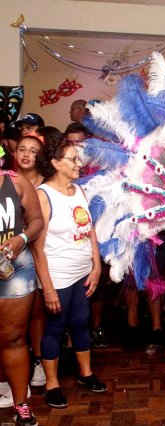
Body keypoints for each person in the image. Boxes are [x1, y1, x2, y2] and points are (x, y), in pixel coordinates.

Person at [32, 130, 107, 409]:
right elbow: (37, 248)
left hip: (82, 272)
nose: (79, 163)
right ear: (55, 163)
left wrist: (96, 265)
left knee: (80, 322)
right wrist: (48, 288)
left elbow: (89, 230)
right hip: (58, 276)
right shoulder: (44, 195)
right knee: (55, 327)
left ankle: (86, 374)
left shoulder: (79, 190)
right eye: (73, 159)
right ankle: (51, 385)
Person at [0, 144, 44, 425]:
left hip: (13, 267)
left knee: (13, 338)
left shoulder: (15, 182)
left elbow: (37, 220)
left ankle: (21, 405)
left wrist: (22, 239)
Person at [13, 135, 47, 389]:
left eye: (33, 151)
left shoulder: (47, 185)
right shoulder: (7, 180)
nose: (26, 154)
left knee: (37, 310)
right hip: (13, 257)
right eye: (22, 149)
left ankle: (38, 360)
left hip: (40, 252)